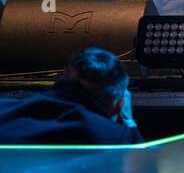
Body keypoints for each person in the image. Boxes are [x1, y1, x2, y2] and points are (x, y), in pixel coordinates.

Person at [0, 47, 142, 144]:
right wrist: (129, 123)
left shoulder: (4, 109)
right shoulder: (112, 136)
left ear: (63, 75)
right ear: (119, 106)